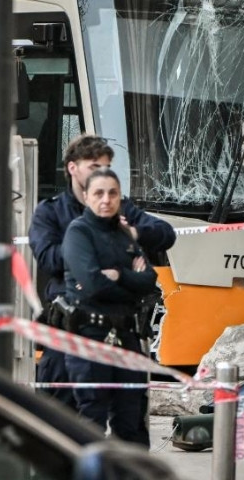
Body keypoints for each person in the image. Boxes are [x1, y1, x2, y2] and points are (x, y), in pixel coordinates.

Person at [29, 134, 175, 413]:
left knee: (129, 422)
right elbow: (49, 260)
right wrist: (97, 250)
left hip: (120, 330)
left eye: (107, 167)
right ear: (73, 168)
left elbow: (164, 234)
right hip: (71, 332)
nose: (103, 174)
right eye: (95, 167)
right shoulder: (51, 213)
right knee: (60, 419)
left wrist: (133, 233)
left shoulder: (121, 207)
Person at [61, 168, 158, 446]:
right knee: (91, 421)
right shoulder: (78, 233)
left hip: (127, 337)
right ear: (87, 197)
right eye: (99, 193)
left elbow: (150, 281)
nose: (106, 199)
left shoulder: (124, 234)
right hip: (90, 337)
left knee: (131, 421)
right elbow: (94, 284)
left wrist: (118, 275)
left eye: (112, 193)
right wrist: (131, 279)